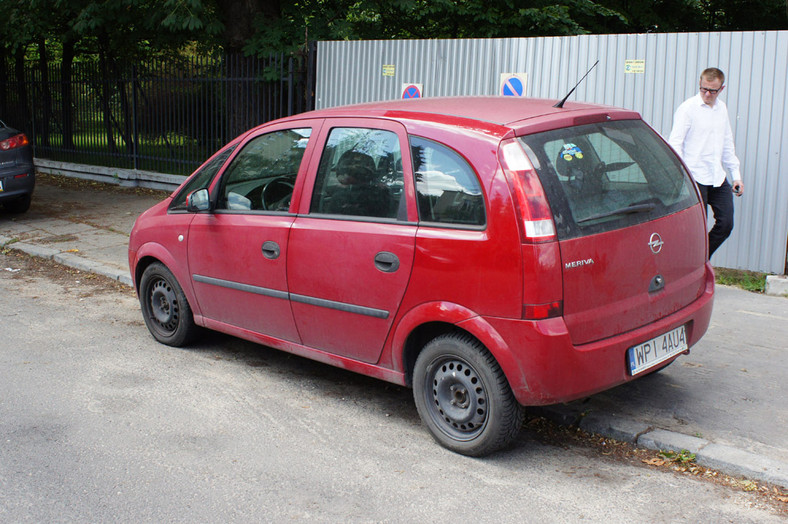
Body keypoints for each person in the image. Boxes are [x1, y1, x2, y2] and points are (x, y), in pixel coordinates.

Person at [668, 67, 743, 258]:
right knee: (697, 230)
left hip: (717, 177)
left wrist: (736, 177)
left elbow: (727, 144)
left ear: (722, 88)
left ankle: (700, 260)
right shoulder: (688, 109)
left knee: (726, 224)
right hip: (694, 178)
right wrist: (682, 176)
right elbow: (675, 144)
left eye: (713, 91)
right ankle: (696, 266)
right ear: (700, 84)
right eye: (704, 89)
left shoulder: (722, 109)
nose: (707, 94)